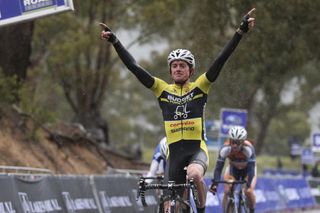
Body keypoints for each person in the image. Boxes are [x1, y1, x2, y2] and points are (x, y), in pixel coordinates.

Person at [100, 8, 256, 213]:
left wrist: (240, 32)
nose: (178, 69)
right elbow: (134, 67)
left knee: (195, 175)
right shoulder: (161, 89)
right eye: (174, 66)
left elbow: (221, 60)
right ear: (170, 70)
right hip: (174, 154)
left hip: (196, 150)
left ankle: (200, 210)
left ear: (190, 70)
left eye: (182, 65)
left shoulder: (200, 86)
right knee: (168, 205)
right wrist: (116, 42)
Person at [210, 126, 257, 213]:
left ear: (243, 142)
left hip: (248, 170)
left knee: (249, 191)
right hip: (233, 169)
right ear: (230, 140)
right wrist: (215, 183)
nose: (234, 145)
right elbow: (218, 168)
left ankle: (252, 210)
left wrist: (248, 184)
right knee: (227, 191)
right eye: (233, 142)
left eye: (238, 143)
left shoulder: (249, 149)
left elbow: (251, 170)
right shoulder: (225, 149)